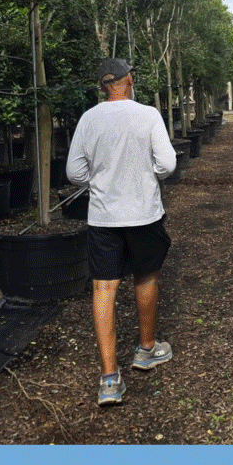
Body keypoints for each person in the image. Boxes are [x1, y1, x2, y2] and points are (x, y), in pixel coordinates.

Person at [66, 57, 177, 406]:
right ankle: (146, 350)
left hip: (104, 217)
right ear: (129, 80)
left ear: (102, 86)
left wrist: (100, 182)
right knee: (145, 276)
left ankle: (110, 378)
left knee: (103, 287)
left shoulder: (88, 119)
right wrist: (147, 178)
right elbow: (168, 164)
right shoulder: (147, 115)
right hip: (143, 213)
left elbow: (74, 172)